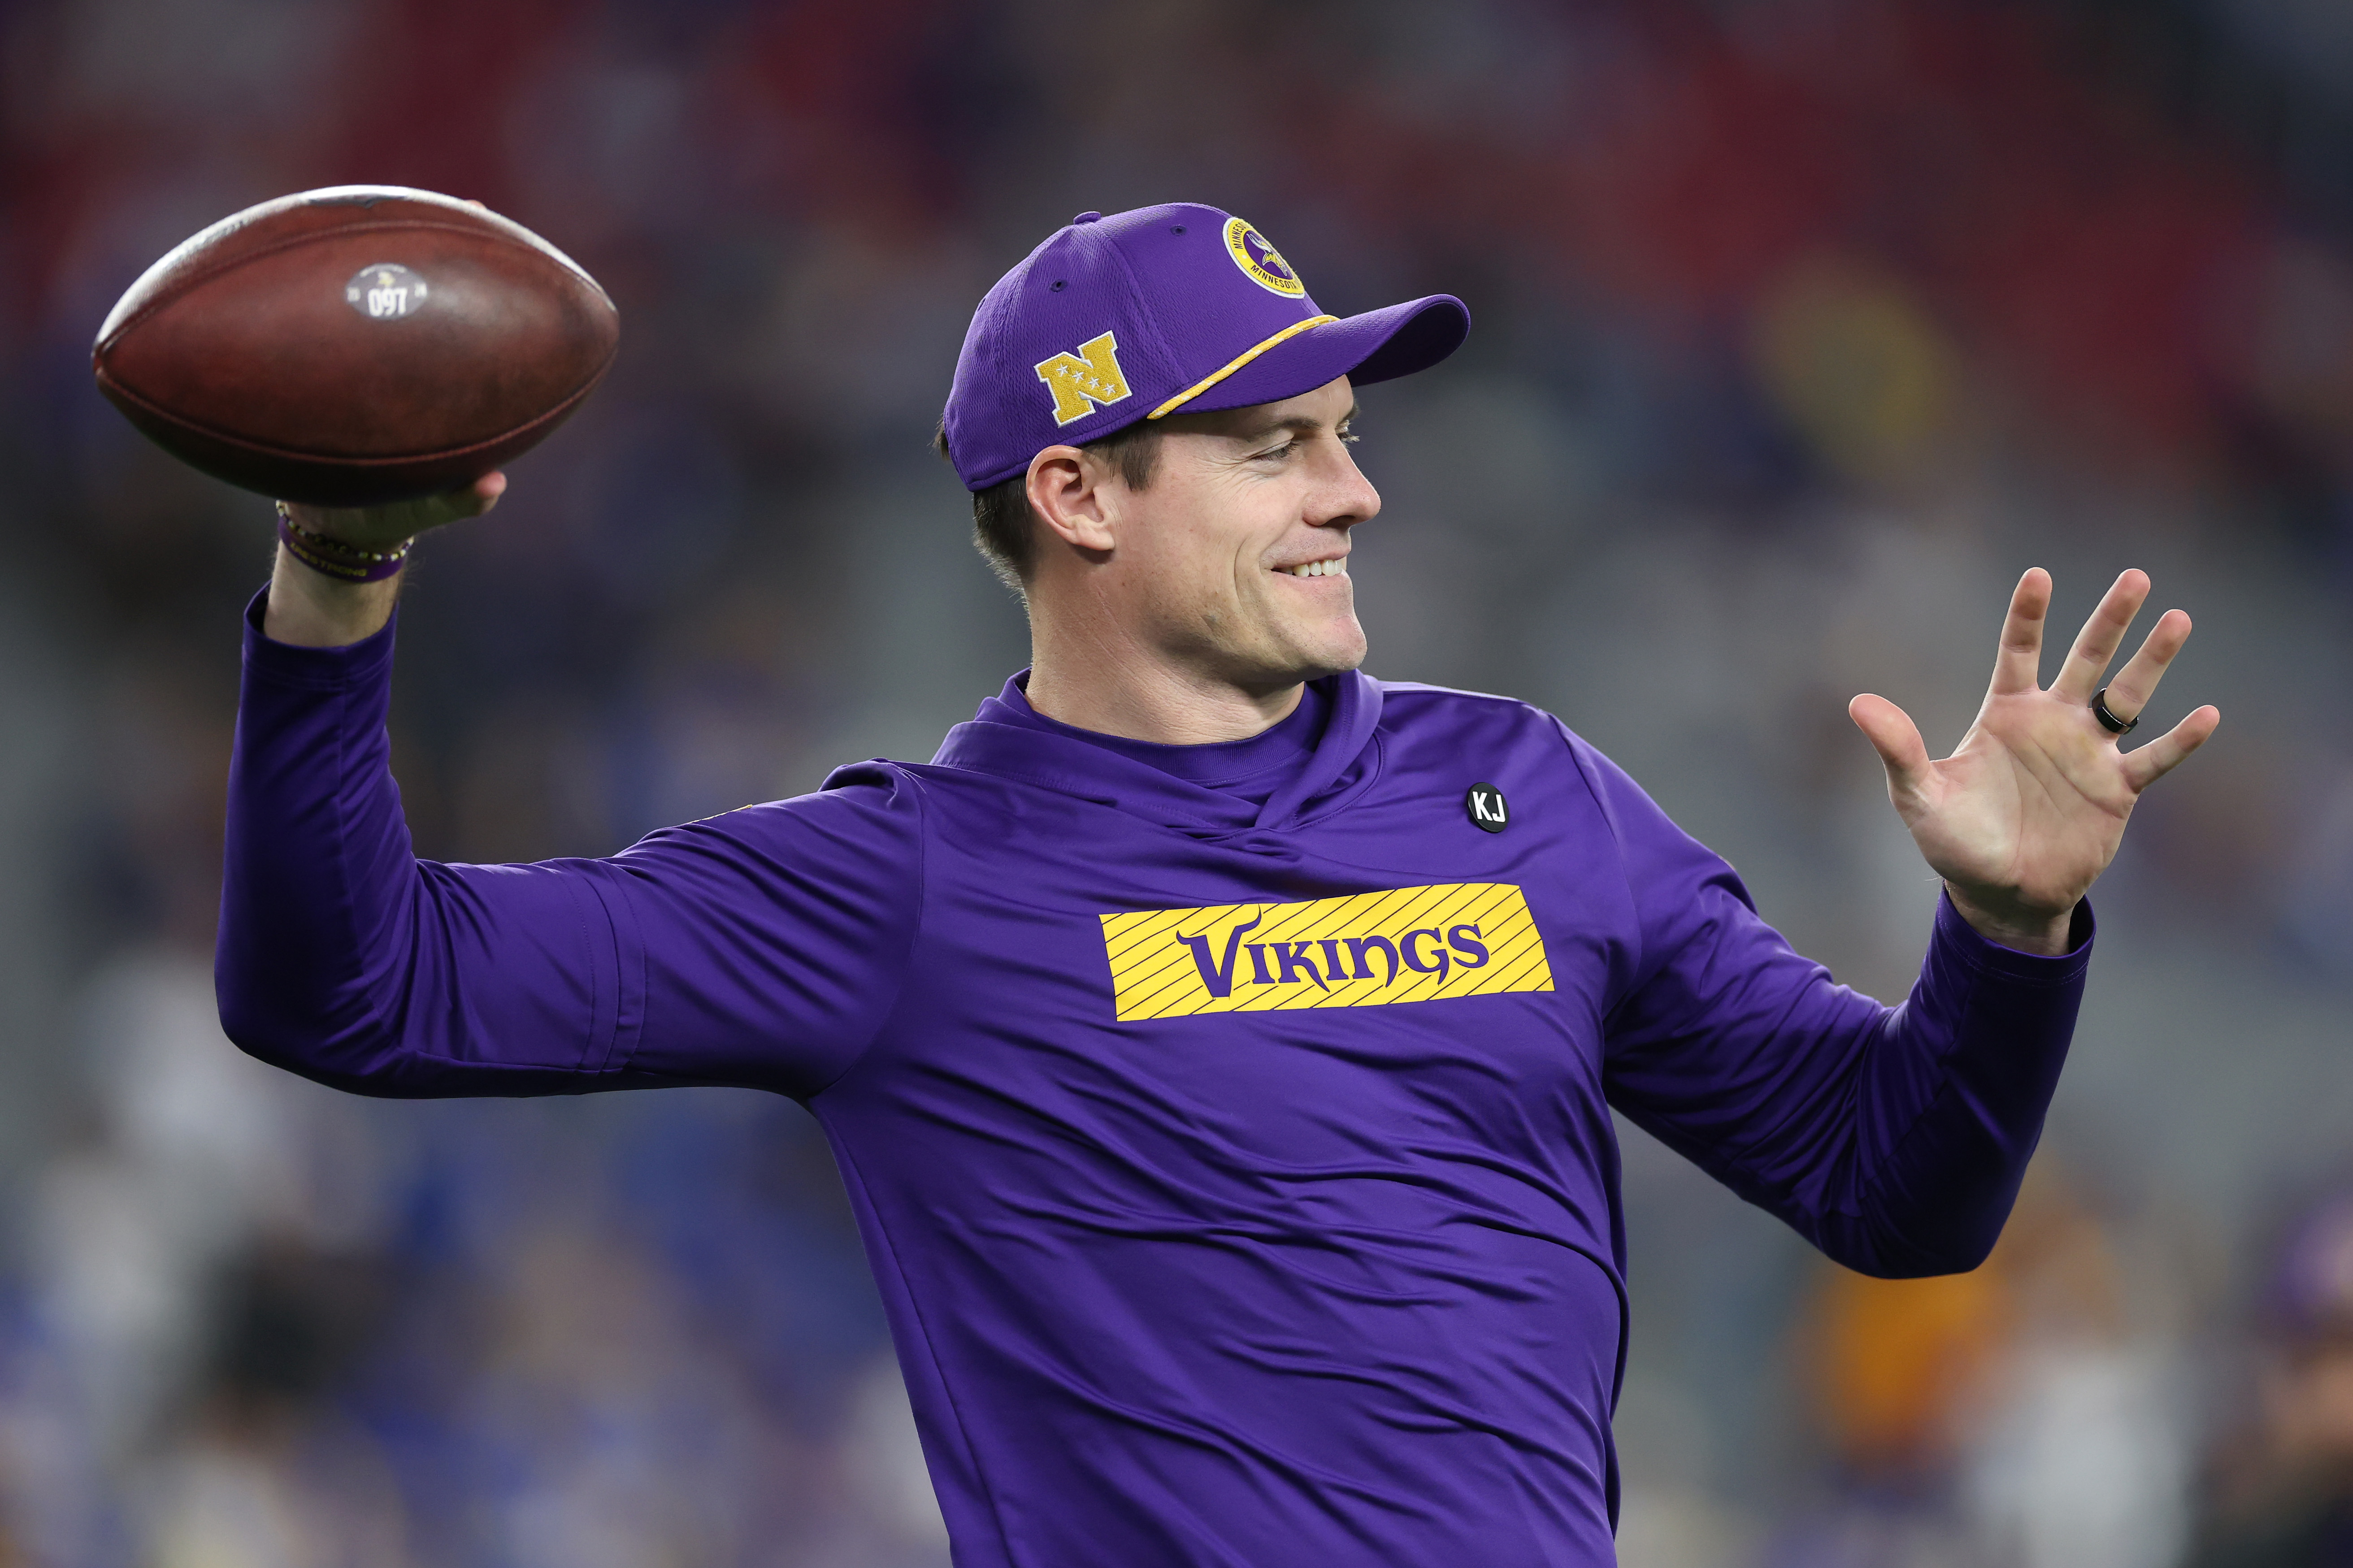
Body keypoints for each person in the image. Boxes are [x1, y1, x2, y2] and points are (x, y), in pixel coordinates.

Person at [217, 202, 2218, 1567]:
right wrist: (339, 575)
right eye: (1274, 446)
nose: (1354, 490)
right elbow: (355, 988)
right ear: (1078, 491)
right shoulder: (905, 888)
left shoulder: (1531, 798)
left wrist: (2007, 934)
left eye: (1341, 434)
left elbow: (1898, 1189)